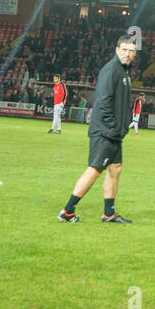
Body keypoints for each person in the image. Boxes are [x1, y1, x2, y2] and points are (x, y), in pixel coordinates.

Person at [58, 35, 137, 224]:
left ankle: (109, 213)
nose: (127, 54)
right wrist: (113, 126)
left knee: (115, 168)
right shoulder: (111, 70)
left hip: (114, 132)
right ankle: (67, 211)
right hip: (106, 130)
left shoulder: (124, 71)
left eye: (131, 51)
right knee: (95, 168)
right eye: (124, 50)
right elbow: (103, 101)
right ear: (117, 50)